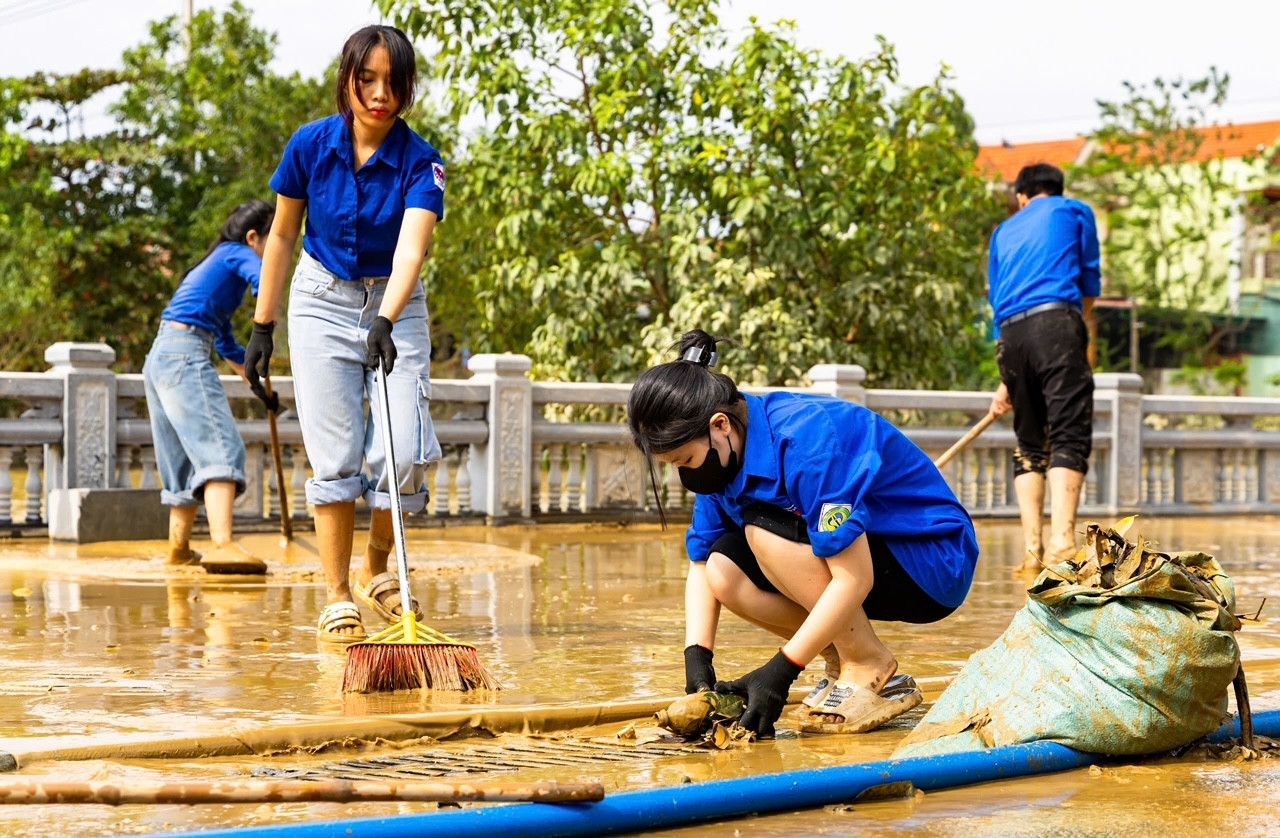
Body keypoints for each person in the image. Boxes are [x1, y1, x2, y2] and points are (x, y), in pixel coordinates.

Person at [627, 330, 980, 738]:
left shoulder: (808, 441)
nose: (685, 472)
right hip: (856, 558)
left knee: (762, 532)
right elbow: (703, 561)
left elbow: (855, 577)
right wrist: (698, 660)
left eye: (684, 458)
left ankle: (869, 663)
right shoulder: (722, 461)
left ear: (719, 425)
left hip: (929, 561)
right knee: (725, 570)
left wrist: (781, 670)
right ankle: (844, 663)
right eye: (673, 465)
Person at [244, 25, 444, 643]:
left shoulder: (422, 161)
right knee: (334, 456)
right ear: (348, 80)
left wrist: (386, 315)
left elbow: (413, 245)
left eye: (394, 82)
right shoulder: (310, 145)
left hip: (396, 302)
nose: (380, 95)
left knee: (403, 452)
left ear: (408, 88)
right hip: (319, 301)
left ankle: (375, 566)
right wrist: (262, 324)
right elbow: (280, 235)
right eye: (368, 80)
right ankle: (335, 593)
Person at [143, 199, 277, 572]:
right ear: (254, 237)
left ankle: (179, 550)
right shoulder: (235, 253)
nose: (279, 246)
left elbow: (228, 345)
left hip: (161, 356)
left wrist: (259, 388)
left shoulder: (216, 268)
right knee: (221, 447)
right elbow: (265, 280)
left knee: (181, 461)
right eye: (275, 239)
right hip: (184, 354)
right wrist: (268, 322)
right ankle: (222, 545)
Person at [987, 163, 1101, 573]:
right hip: (1056, 322)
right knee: (1068, 433)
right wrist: (1069, 327)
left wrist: (1008, 379)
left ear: (1021, 196)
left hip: (1011, 338)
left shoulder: (1003, 231)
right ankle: (1062, 546)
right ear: (1056, 190)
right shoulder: (1073, 211)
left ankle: (1032, 551)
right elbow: (1089, 284)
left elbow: (1000, 302)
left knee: (1030, 443)